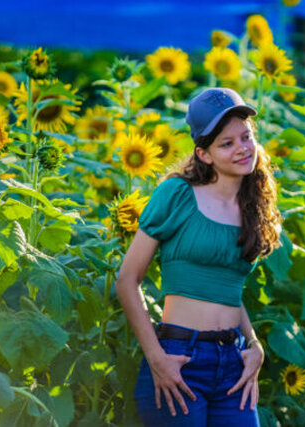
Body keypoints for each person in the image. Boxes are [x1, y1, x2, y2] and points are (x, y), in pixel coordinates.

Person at [115, 87, 281, 426]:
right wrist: (156, 358)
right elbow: (127, 281)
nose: (243, 148)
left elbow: (226, 290)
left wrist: (254, 345)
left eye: (246, 137)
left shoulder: (253, 205)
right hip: (180, 358)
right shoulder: (177, 194)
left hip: (233, 363)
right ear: (203, 154)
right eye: (227, 143)